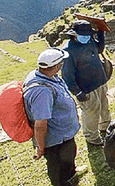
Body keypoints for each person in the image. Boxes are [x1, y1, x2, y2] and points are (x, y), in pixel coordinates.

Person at [23, 48, 82, 186]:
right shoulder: (42, 92)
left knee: (69, 156)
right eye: (61, 63)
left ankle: (71, 175)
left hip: (64, 135)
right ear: (56, 66)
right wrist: (41, 147)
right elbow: (40, 123)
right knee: (58, 167)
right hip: (55, 140)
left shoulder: (46, 76)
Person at [61, 20, 111, 146]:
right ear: (74, 34)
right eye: (84, 35)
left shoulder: (89, 41)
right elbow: (67, 75)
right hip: (86, 88)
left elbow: (99, 49)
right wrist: (77, 92)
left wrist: (100, 33)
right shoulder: (68, 51)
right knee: (91, 112)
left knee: (104, 107)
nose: (86, 37)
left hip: (100, 81)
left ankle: (105, 127)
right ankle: (92, 137)